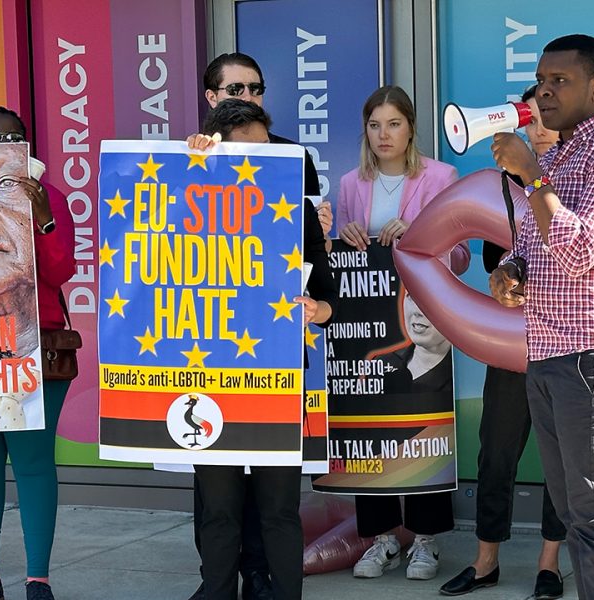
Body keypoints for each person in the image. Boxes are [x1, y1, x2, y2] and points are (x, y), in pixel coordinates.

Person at [488, 34, 594, 599]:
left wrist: (531, 174)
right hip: (548, 353)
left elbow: (580, 250)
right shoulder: (558, 155)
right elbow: (532, 246)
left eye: (560, 81)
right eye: (541, 80)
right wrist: (509, 271)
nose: (544, 92)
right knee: (575, 514)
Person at [185, 51, 334, 600]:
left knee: (278, 507)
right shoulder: (187, 179)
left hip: (278, 370)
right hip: (206, 371)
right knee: (219, 507)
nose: (258, 163)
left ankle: (273, 587)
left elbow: (326, 288)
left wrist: (320, 310)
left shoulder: (293, 186)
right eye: (246, 155)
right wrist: (190, 167)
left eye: (265, 152)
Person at [337, 85, 468, 581]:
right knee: (368, 428)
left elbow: (461, 256)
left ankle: (427, 540)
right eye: (374, 125)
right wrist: (342, 237)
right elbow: (338, 260)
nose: (383, 135)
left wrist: (416, 234)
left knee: (423, 426)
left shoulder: (440, 177)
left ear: (411, 127)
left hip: (423, 323)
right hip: (367, 328)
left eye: (393, 124)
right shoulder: (350, 183)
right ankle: (382, 538)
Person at [440, 85, 566, 600]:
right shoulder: (502, 181)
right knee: (495, 452)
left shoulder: (577, 174)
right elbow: (493, 257)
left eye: (546, 117)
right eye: (530, 119)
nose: (539, 128)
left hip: (567, 336)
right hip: (513, 339)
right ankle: (485, 560)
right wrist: (506, 279)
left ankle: (549, 564)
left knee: (560, 459)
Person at [0, 107, 75, 600]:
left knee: (33, 461)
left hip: (34, 344)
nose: (0, 144)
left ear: (26, 143)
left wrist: (42, 218)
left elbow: (61, 271)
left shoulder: (49, 196)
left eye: (10, 137)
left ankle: (37, 578)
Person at [379, 293, 452, 394]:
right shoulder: (381, 365)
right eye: (412, 297)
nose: (418, 312)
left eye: (432, 299)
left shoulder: (461, 377)